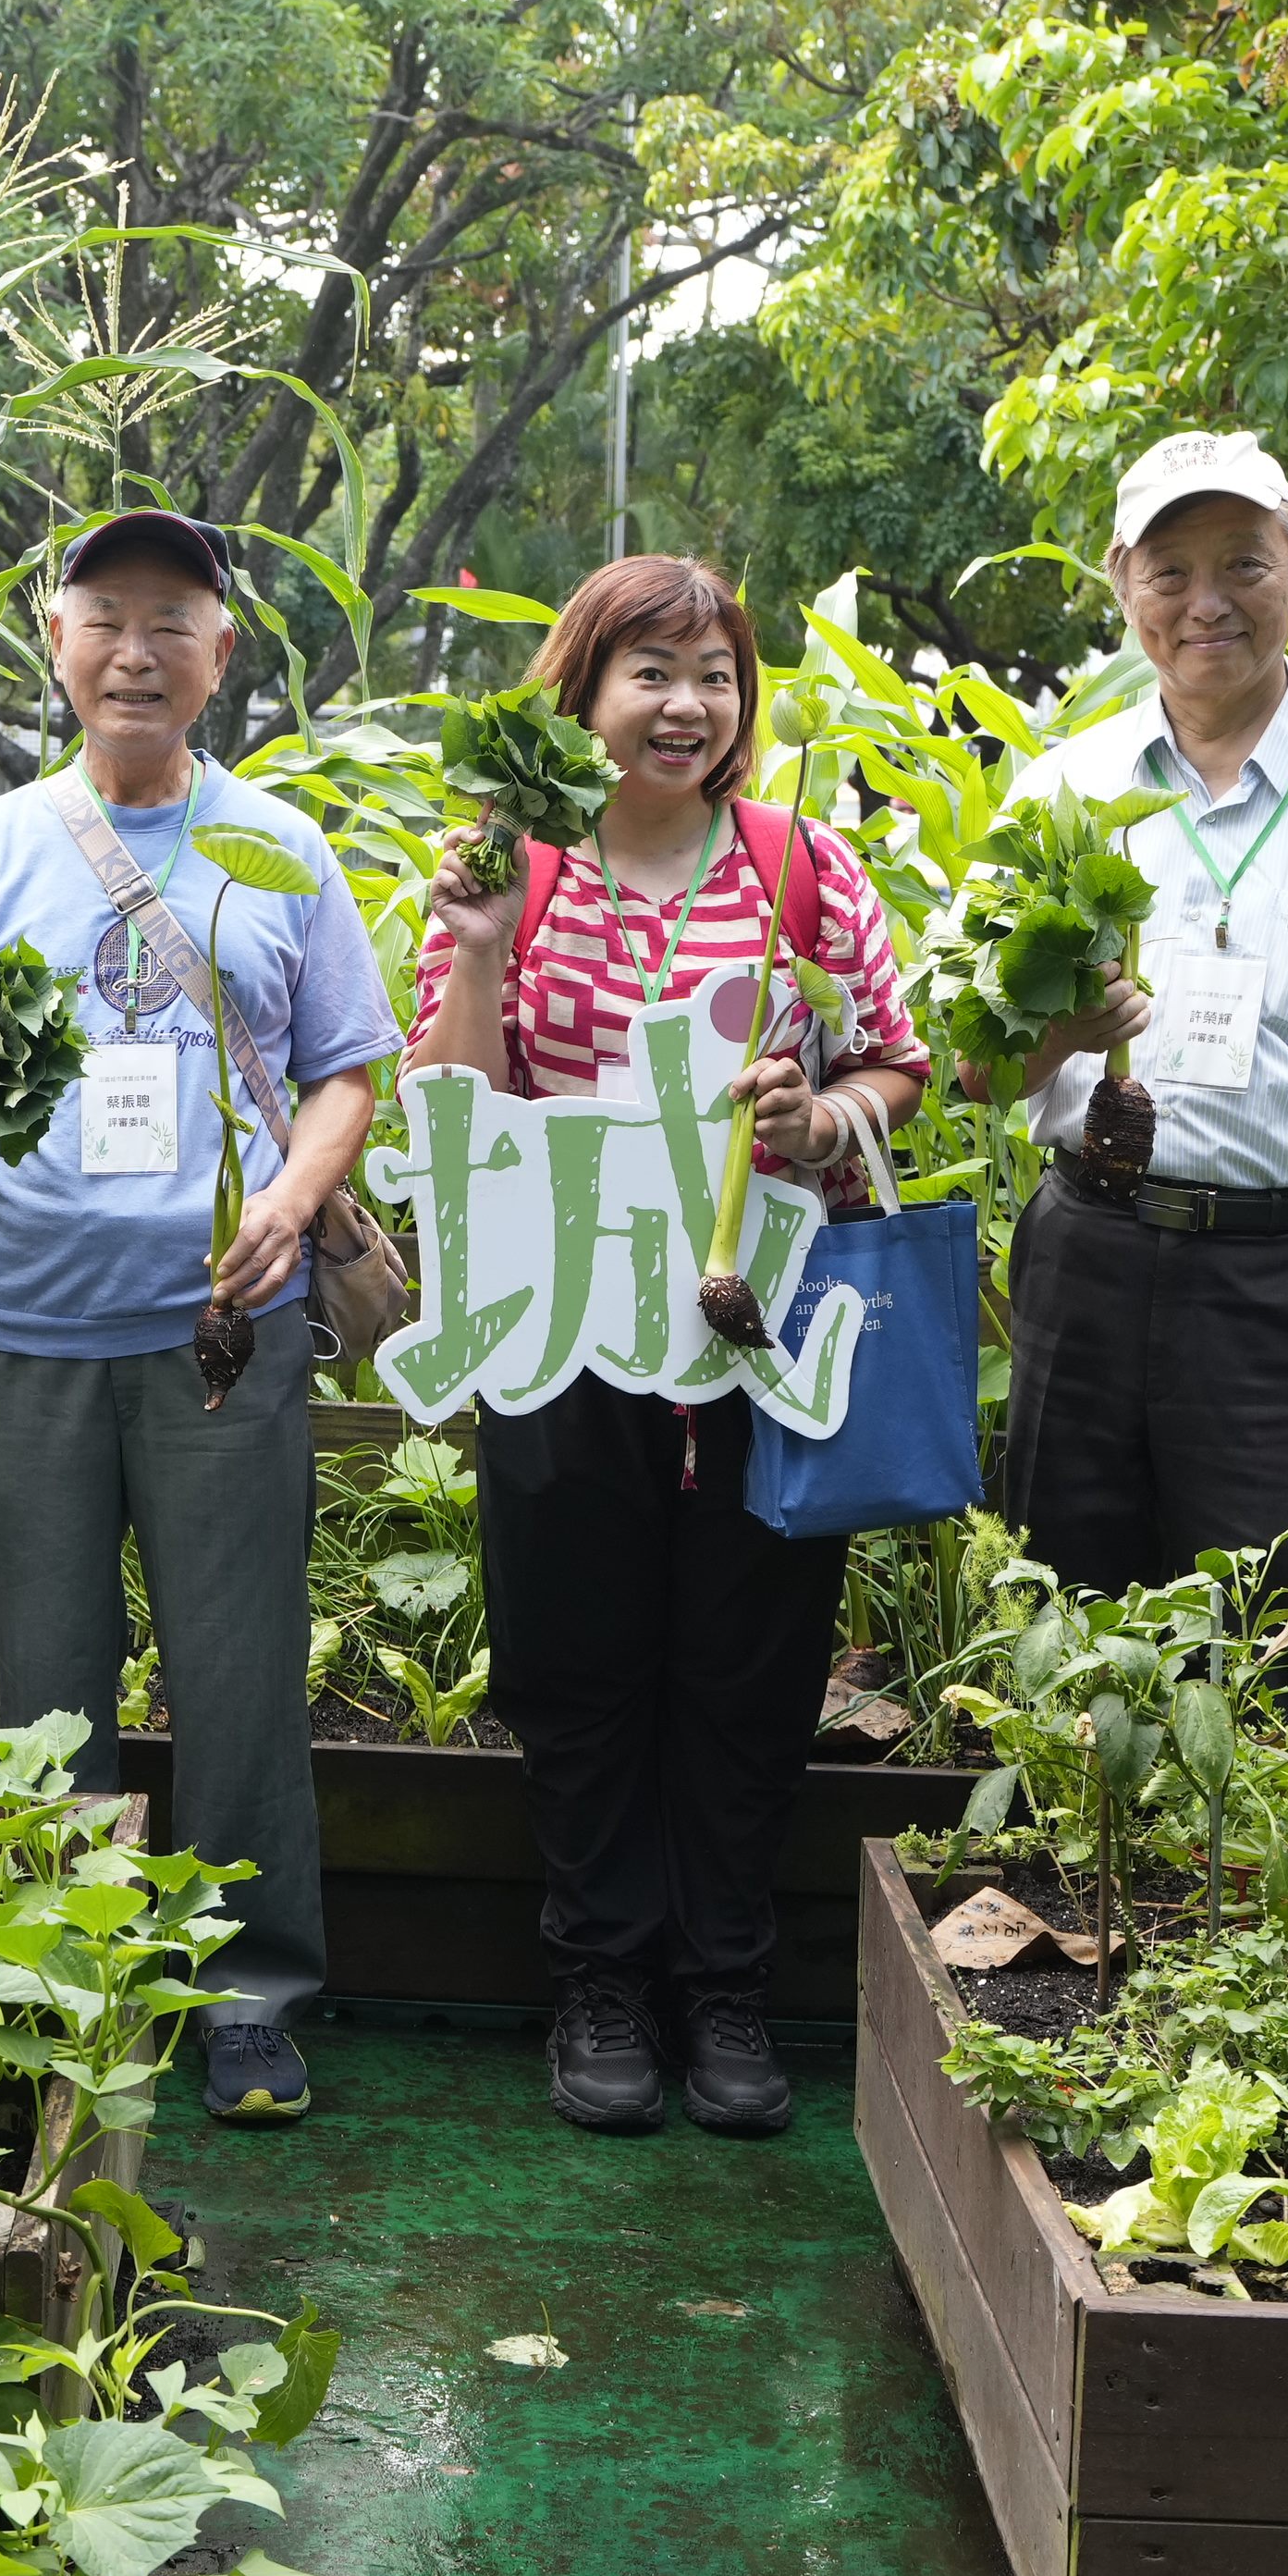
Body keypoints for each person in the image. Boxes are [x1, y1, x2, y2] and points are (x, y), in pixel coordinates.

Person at [410, 555, 928, 2138]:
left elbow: (895, 1063)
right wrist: (487, 944)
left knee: (749, 1655)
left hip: (752, 1329)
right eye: (648, 668)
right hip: (564, 1319)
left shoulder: (798, 868)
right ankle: (600, 1976)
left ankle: (725, 1982)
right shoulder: (515, 866)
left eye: (711, 670)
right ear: (582, 689)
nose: (683, 702)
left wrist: (822, 1109)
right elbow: (449, 1094)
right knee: (577, 1656)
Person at [0, 508, 389, 2125]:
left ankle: (250, 1991)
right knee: (45, 1676)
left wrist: (292, 1198)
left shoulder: (280, 847)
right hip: (29, 1315)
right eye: (105, 615)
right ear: (55, 640)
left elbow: (345, 1069)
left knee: (236, 1668)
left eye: (172, 620)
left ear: (219, 655)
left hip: (221, 1328)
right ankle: (62, 1988)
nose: (135, 649)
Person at [989, 431, 1288, 1588]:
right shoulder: (1059, 792)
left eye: (1244, 564)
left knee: (1284, 1639)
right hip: (1089, 1257)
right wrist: (1069, 1029)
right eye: (1170, 572)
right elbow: (983, 1072)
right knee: (1069, 1614)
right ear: (1122, 585)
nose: (1207, 604)